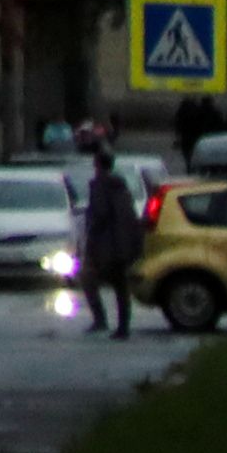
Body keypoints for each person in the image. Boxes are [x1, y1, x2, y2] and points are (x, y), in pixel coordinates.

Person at [75, 136, 138, 336]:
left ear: (97, 165)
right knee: (121, 286)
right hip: (122, 244)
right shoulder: (122, 187)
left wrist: (90, 236)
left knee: (88, 279)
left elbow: (99, 215)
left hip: (104, 244)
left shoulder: (99, 186)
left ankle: (101, 320)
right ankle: (123, 326)